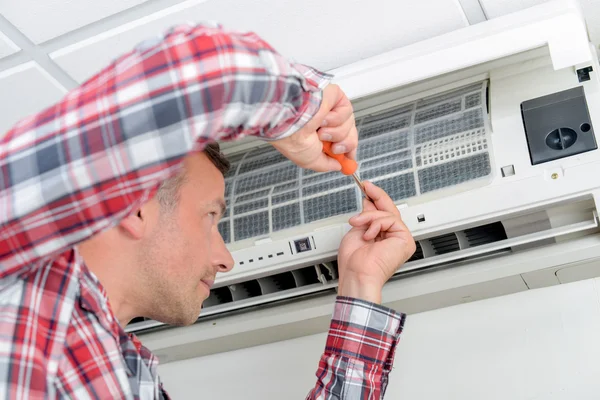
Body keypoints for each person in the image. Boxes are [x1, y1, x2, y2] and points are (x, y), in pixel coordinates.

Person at [0, 22, 416, 399]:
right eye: (211, 217)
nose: (226, 259)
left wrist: (361, 285)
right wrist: (303, 116)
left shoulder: (123, 382)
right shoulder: (20, 283)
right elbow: (207, 72)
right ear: (136, 208)